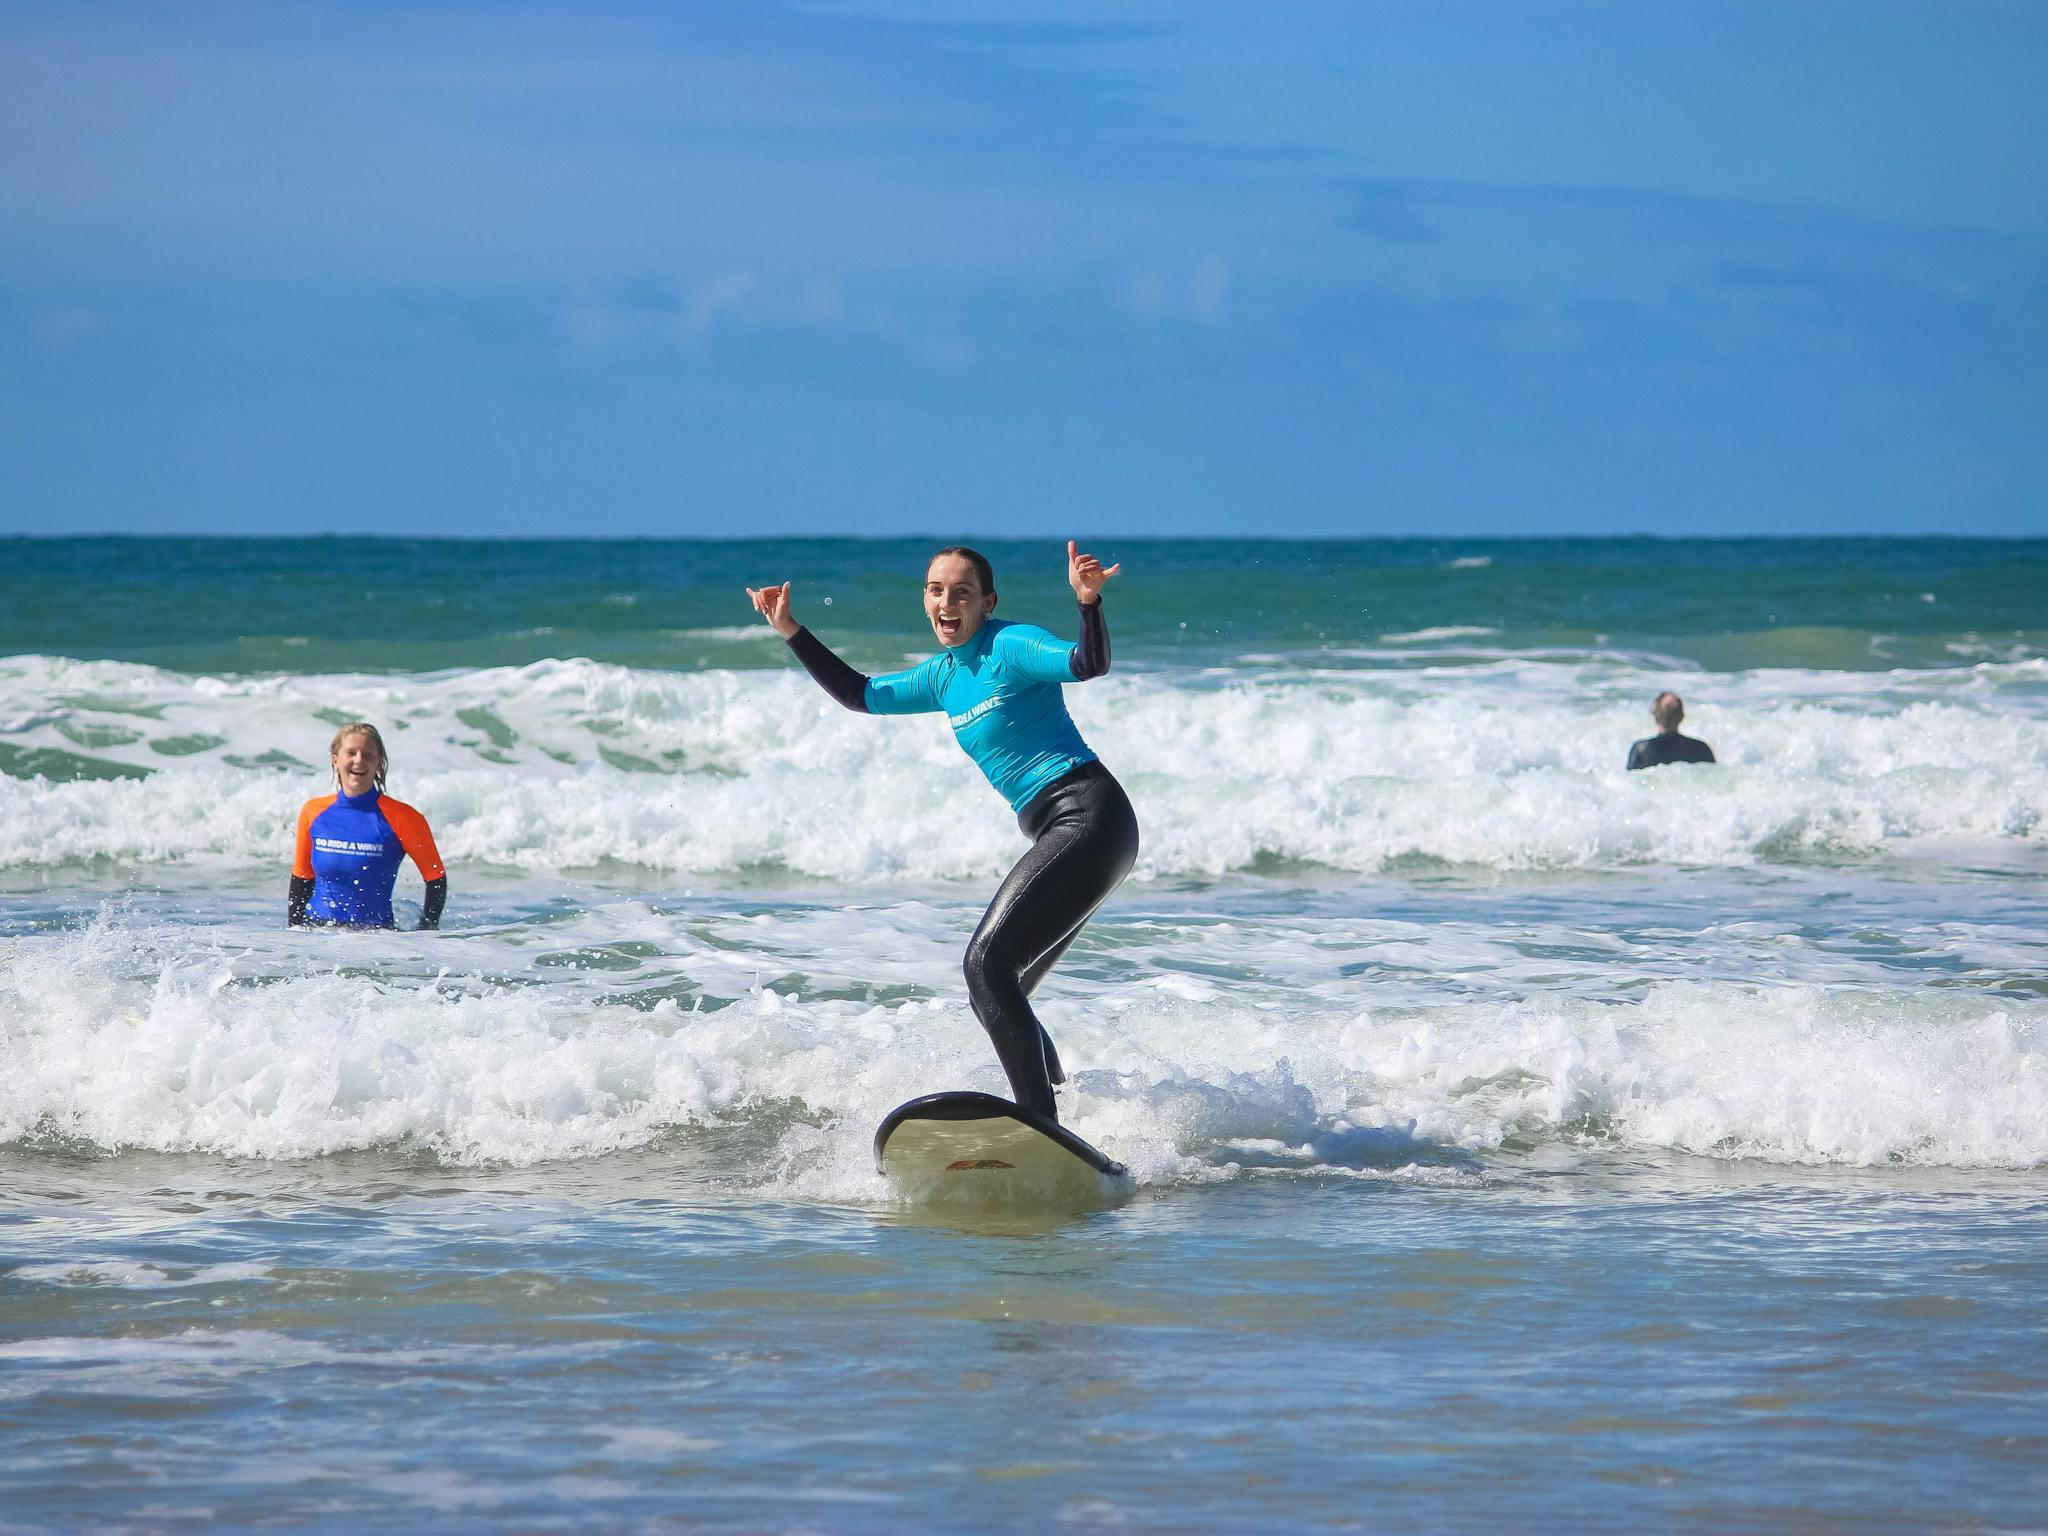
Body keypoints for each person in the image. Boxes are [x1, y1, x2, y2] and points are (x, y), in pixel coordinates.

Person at [746, 541, 1137, 1122]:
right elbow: (860, 695)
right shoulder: (943, 676)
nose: (947, 602)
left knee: (985, 967)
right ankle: (1064, 1113)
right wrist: (790, 629)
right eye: (935, 590)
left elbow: (1087, 664)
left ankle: (1036, 1122)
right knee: (1004, 990)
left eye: (962, 591)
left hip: (1088, 815)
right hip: (1070, 828)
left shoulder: (1011, 644)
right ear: (924, 600)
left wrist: (1089, 604)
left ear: (987, 602)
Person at [289, 722, 447, 929]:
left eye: (368, 755)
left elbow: (436, 878)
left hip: (376, 938)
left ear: (379, 763)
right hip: (317, 933)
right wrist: (293, 934)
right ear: (336, 760)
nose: (358, 761)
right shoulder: (313, 812)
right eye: (351, 753)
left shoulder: (404, 818)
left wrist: (428, 928)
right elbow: (301, 879)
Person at [1627, 691, 1716, 771]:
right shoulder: (1701, 748)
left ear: (1655, 717)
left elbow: (1629, 783)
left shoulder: (1641, 749)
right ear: (1681, 717)